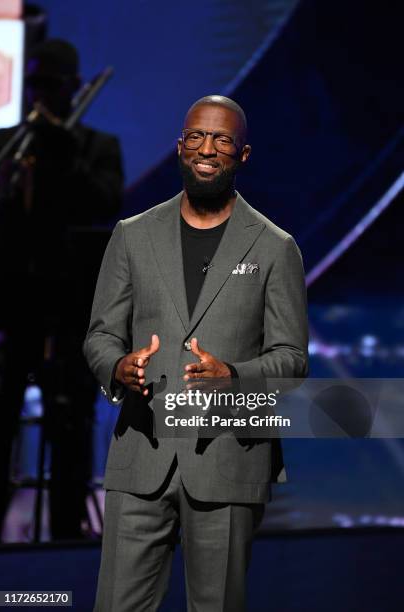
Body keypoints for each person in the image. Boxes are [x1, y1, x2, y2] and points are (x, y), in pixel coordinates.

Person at [84, 95, 308, 611]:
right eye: (196, 137)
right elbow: (99, 335)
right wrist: (117, 367)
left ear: (243, 154)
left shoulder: (275, 247)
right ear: (180, 146)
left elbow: (292, 358)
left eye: (222, 139)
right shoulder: (132, 236)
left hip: (229, 459)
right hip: (142, 456)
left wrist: (233, 374)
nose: (207, 149)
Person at [0, 39, 124, 541]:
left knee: (69, 421)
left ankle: (68, 536)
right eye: (36, 85)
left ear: (73, 88)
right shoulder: (7, 142)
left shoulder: (96, 148)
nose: (42, 95)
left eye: (52, 85)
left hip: (69, 310)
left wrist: (64, 159)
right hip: (11, 308)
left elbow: (105, 204)